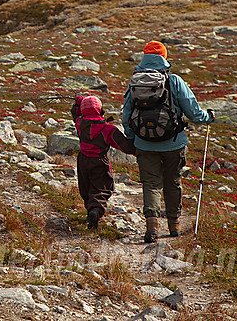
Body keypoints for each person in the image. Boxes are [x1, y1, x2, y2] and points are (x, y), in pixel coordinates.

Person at [122, 40, 214, 242]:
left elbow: (126, 114)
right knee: (173, 182)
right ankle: (174, 226)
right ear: (164, 56)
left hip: (144, 144)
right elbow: (193, 112)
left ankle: (152, 228)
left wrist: (132, 138)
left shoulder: (135, 81)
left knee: (151, 184)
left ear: (144, 56)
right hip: (174, 142)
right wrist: (208, 118)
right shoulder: (173, 81)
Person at [72, 94, 135, 229]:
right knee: (102, 189)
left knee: (86, 188)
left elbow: (75, 115)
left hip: (82, 160)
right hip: (99, 162)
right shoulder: (108, 129)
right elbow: (127, 147)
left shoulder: (79, 124)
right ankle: (95, 212)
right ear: (100, 110)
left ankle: (91, 214)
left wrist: (78, 104)